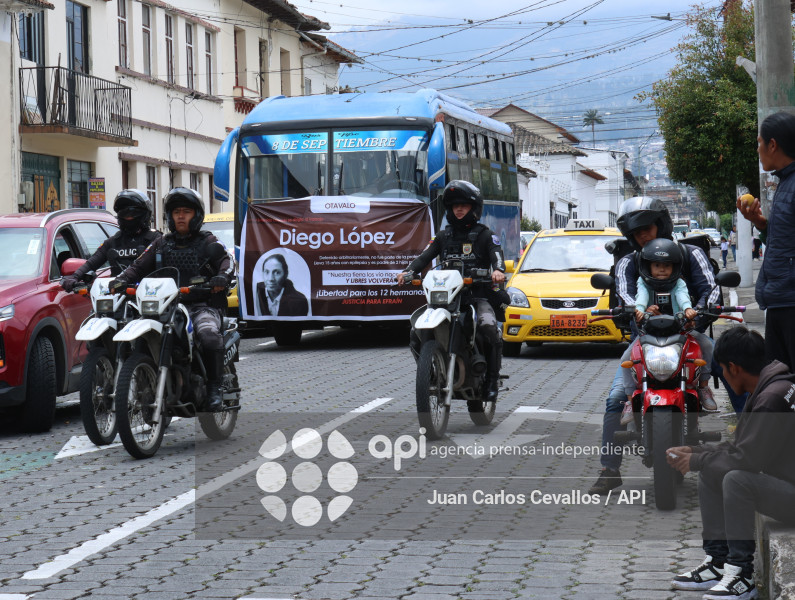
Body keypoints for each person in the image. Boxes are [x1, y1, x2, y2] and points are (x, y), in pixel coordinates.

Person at [588, 196, 723, 496]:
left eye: (646, 228)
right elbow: (623, 295)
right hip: (645, 340)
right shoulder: (628, 262)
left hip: (689, 338)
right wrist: (633, 311)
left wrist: (696, 314)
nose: (642, 236)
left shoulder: (691, 254)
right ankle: (609, 469)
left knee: (733, 367)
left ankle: (752, 449)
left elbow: (711, 291)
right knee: (614, 399)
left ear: (661, 224)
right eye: (635, 233)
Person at [668, 327, 795, 599]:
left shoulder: (771, 399)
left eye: (721, 371)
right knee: (712, 468)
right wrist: (695, 450)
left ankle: (741, 575)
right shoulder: (771, 386)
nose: (722, 377)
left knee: (735, 478)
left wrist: (698, 461)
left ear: (733, 368)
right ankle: (718, 562)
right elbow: (742, 446)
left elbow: (748, 459)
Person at [110, 187, 234, 412]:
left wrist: (221, 277)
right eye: (176, 211)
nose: (180, 216)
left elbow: (227, 261)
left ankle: (214, 388)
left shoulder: (207, 241)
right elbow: (138, 265)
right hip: (164, 306)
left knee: (207, 334)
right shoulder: (161, 243)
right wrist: (120, 280)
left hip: (200, 305)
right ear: (169, 216)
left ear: (196, 215)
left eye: (186, 211)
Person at [397, 180, 506, 402]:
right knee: (414, 333)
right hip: (446, 297)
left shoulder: (485, 234)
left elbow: (497, 255)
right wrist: (408, 272)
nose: (459, 209)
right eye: (455, 205)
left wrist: (498, 270)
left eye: (464, 205)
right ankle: (429, 371)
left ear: (473, 208)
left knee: (487, 327)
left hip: (476, 295)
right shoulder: (442, 236)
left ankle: (492, 380)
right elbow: (424, 257)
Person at [620, 238, 716, 424]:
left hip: (681, 333)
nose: (662, 269)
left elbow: (682, 297)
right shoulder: (643, 283)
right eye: (657, 265)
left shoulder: (679, 283)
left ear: (675, 267)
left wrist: (689, 309)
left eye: (667, 265)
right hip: (647, 336)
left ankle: (703, 387)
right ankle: (630, 400)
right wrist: (639, 310)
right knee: (626, 359)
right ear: (648, 267)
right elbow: (641, 297)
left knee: (707, 346)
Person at [737, 111, 795, 370]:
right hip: (781, 299)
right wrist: (761, 224)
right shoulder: (785, 182)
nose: (758, 149)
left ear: (773, 145)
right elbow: (786, 238)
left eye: (759, 143)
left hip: (790, 301)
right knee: (781, 383)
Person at [60, 189, 161, 290]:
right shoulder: (113, 242)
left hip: (149, 297)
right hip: (115, 296)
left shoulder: (156, 239)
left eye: (131, 213)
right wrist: (75, 277)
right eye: (124, 213)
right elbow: (91, 263)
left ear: (144, 214)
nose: (128, 217)